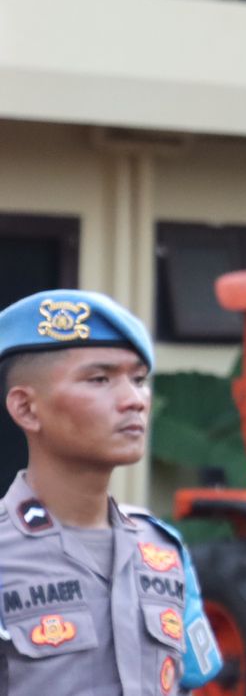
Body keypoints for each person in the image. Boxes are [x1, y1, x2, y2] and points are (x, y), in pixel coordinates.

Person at [0, 290, 221, 695]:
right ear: (27, 409)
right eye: (99, 379)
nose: (134, 401)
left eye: (138, 380)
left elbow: (187, 683)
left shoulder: (161, 550)